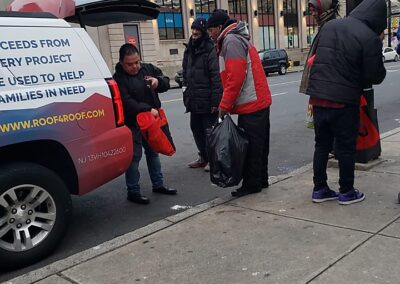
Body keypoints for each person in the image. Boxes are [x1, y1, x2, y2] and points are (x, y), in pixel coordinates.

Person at [305, 0, 386, 205]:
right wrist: (378, 43)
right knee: (346, 147)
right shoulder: (369, 37)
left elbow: (315, 57)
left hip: (318, 98)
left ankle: (319, 188)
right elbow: (374, 76)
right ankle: (346, 191)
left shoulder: (330, 26)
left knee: (321, 145)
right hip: (343, 101)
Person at [207, 10, 272, 197]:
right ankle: (261, 179)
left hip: (251, 102)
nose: (210, 34)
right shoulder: (238, 38)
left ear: (219, 27)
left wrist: (224, 106)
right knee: (260, 144)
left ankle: (252, 184)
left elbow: (235, 78)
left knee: (251, 146)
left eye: (211, 30)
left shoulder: (231, 41)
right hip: (258, 101)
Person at [113, 43, 177, 204]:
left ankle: (158, 184)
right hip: (132, 122)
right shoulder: (118, 78)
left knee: (153, 152)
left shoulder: (148, 68)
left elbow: (166, 81)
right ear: (121, 63)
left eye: (137, 62)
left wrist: (158, 81)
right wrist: (147, 109)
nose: (135, 66)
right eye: (130, 64)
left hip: (151, 121)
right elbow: (127, 102)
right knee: (134, 157)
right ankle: (133, 191)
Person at [182, 17, 222, 172]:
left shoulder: (210, 48)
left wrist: (215, 102)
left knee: (210, 132)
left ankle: (214, 159)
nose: (194, 32)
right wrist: (186, 93)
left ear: (203, 31)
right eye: (193, 29)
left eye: (198, 29)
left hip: (207, 100)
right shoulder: (189, 48)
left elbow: (215, 77)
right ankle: (203, 157)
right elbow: (185, 73)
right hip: (193, 99)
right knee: (196, 129)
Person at [300, 0, 340, 129]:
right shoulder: (324, 26)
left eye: (314, 10)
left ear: (322, 8)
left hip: (328, 96)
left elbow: (327, 59)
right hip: (323, 95)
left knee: (325, 142)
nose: (312, 13)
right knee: (325, 142)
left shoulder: (330, 28)